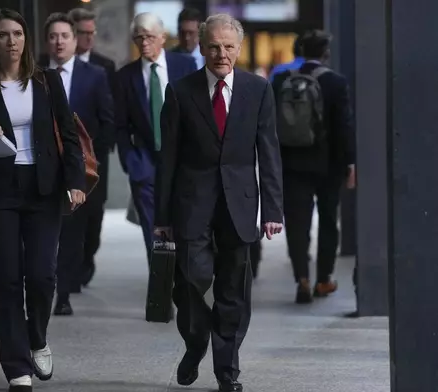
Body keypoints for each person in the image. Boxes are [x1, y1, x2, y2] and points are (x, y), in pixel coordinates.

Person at [155, 13, 284, 392]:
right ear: (202, 46)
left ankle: (227, 370)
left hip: (240, 203)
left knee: (233, 290)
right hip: (192, 201)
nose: (221, 53)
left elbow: (269, 152)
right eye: (213, 46)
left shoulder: (258, 90)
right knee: (190, 285)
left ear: (239, 49)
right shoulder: (180, 91)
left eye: (228, 46)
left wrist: (273, 211)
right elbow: (169, 159)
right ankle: (196, 344)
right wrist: (162, 215)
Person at [0, 9, 86, 392]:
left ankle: (37, 337)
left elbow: (68, 135)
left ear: (26, 39)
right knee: (7, 280)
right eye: (3, 34)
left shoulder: (47, 81)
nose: (12, 41)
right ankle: (16, 366)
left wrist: (75, 181)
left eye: (18, 34)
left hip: (44, 186)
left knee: (41, 275)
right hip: (0, 187)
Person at [272, 30, 356, 304]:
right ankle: (323, 280)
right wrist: (349, 162)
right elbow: (344, 127)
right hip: (328, 166)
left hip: (292, 164)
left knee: (297, 224)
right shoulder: (336, 82)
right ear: (325, 54)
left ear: (299, 51)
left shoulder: (283, 80)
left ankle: (302, 279)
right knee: (329, 221)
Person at [39, 12, 114, 316]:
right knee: (52, 229)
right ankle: (54, 288)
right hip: (45, 164)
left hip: (82, 165)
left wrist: (91, 157)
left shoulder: (94, 75)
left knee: (77, 230)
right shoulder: (36, 75)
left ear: (75, 41)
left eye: (64, 37)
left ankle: (66, 291)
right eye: (53, 37)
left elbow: (108, 121)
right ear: (46, 42)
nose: (59, 42)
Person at [116, 12, 196, 265]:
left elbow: (195, 113)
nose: (144, 42)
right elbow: (120, 125)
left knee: (183, 228)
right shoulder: (125, 76)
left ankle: (181, 286)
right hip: (145, 164)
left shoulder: (185, 66)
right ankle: (161, 291)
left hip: (182, 162)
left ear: (163, 37)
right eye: (139, 38)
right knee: (153, 234)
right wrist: (131, 161)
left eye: (150, 36)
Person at [67, 6, 118, 287]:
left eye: (91, 33)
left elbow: (110, 113)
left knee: (94, 213)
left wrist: (103, 149)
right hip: (65, 154)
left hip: (95, 154)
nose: (88, 38)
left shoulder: (104, 67)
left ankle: (87, 259)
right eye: (83, 33)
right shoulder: (50, 64)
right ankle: (70, 270)